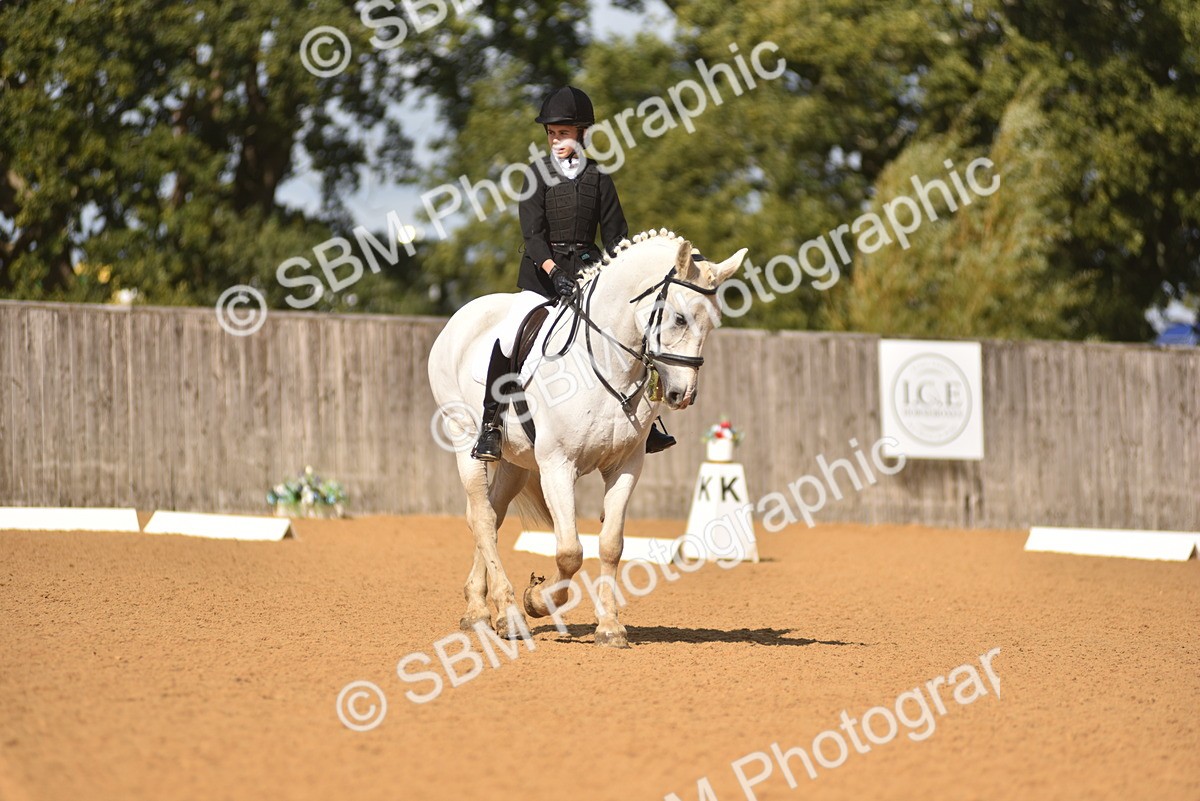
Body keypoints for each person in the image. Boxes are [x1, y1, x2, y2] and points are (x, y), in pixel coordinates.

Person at [471, 86, 677, 461]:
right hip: (541, 276)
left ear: (582, 133)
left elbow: (617, 237)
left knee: (635, 331)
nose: (555, 140)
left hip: (588, 275)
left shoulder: (599, 179)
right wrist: (552, 271)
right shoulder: (535, 175)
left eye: (563, 133)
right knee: (507, 336)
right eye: (551, 133)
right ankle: (491, 426)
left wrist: (616, 276)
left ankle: (650, 425)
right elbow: (532, 236)